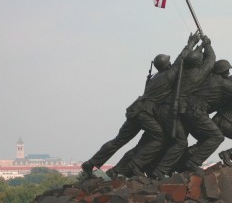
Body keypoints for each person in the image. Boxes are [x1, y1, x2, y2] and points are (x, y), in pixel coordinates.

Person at [81, 32, 200, 178]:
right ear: (166, 65)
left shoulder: (155, 77)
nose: (170, 63)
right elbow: (180, 60)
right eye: (168, 62)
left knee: (119, 140)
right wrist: (191, 44)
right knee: (159, 137)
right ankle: (135, 166)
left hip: (135, 109)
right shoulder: (168, 75)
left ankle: (91, 162)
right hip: (146, 112)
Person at [150, 35, 215, 180]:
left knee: (176, 140)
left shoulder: (178, 71)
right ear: (198, 63)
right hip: (172, 110)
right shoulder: (197, 74)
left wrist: (196, 46)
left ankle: (165, 168)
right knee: (181, 141)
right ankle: (160, 171)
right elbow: (210, 61)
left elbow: (184, 58)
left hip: (166, 109)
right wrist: (208, 45)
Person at [179, 59, 232, 172]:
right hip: (197, 113)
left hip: (186, 111)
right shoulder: (223, 82)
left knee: (205, 139)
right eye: (227, 71)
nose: (228, 74)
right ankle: (193, 163)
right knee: (217, 137)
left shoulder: (206, 79)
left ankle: (181, 161)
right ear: (223, 72)